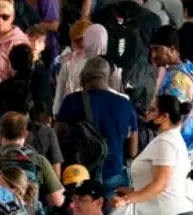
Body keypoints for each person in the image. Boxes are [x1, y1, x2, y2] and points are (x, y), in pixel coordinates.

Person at [56, 58, 138, 189]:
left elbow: (58, 136)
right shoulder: (124, 104)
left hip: (79, 174)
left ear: (84, 75)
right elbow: (133, 150)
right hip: (113, 172)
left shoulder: (71, 101)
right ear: (109, 77)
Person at [149, 26, 193, 152]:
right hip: (191, 143)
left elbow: (170, 119)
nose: (153, 55)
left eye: (157, 49)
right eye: (151, 50)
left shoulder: (176, 80)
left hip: (177, 148)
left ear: (172, 49)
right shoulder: (190, 68)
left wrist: (149, 118)